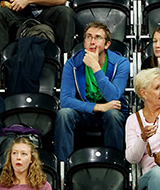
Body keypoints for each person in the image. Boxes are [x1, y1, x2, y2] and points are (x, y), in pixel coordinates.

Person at [55, 22, 129, 162]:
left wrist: (95, 67)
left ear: (107, 44)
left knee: (113, 114)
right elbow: (65, 100)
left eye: (98, 37)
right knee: (64, 114)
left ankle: (115, 165)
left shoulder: (121, 63)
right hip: (85, 113)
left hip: (111, 112)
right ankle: (63, 169)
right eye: (89, 37)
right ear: (84, 42)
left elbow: (113, 96)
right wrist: (99, 107)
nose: (92, 41)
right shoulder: (73, 64)